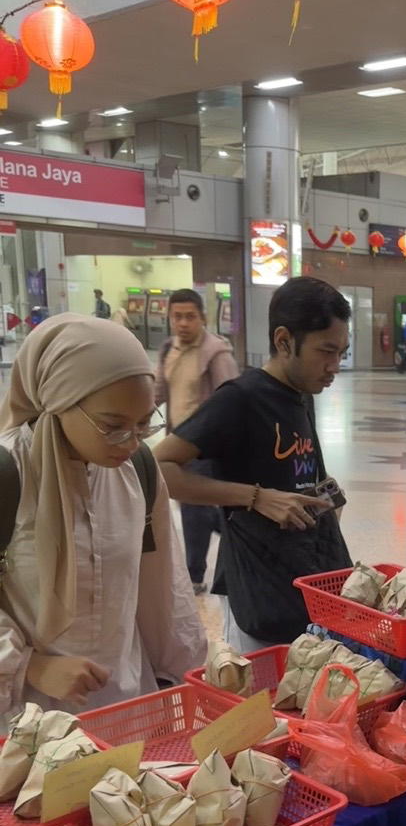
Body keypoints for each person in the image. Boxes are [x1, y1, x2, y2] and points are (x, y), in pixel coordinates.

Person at [0, 313, 206, 718]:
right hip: (24, 721)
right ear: (57, 402)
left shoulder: (138, 472)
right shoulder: (9, 474)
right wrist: (33, 666)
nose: (130, 441)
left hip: (126, 709)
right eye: (113, 426)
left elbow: (164, 590)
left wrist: (194, 680)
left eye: (144, 424)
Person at [153, 277, 352, 652]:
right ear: (283, 340)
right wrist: (256, 497)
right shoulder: (241, 399)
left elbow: (298, 471)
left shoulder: (301, 395)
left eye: (342, 352)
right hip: (255, 586)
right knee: (260, 702)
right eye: (326, 351)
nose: (334, 366)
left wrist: (325, 494)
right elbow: (158, 468)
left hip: (301, 577)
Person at [154, 288, 239, 595]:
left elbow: (231, 400)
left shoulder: (217, 354)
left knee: (192, 507)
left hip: (203, 446)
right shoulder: (169, 349)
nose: (183, 323)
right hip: (177, 443)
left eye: (190, 316)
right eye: (177, 317)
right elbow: (158, 392)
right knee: (196, 508)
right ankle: (236, 531)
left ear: (203, 318)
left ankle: (194, 575)